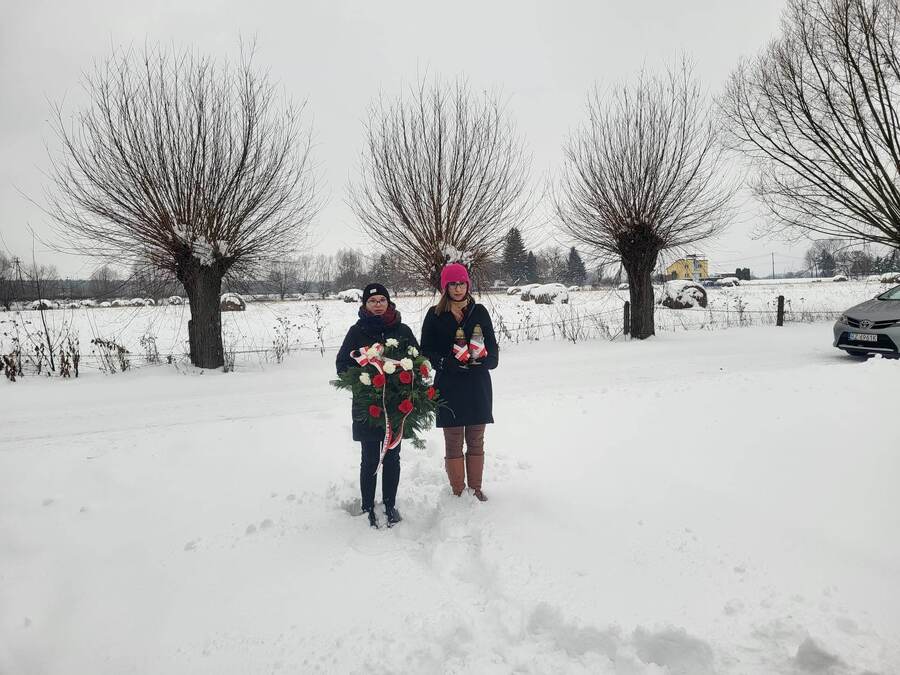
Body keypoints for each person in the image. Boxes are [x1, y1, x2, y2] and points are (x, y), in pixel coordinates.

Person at [336, 283, 420, 529]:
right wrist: (363, 377)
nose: (378, 305)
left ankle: (390, 504)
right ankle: (367, 506)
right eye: (372, 301)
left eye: (382, 300)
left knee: (392, 456)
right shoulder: (356, 332)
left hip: (396, 405)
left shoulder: (402, 329)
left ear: (388, 302)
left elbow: (417, 359)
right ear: (365, 304)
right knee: (370, 457)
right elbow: (342, 364)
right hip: (368, 406)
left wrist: (407, 378)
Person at [420, 263, 499, 501]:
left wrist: (488, 361)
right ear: (445, 287)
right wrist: (444, 363)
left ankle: (475, 489)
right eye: (453, 284)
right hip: (449, 385)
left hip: (477, 385)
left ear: (468, 284)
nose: (458, 288)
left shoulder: (479, 311)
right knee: (453, 440)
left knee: (476, 439)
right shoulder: (434, 314)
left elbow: (492, 345)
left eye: (462, 283)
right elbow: (426, 350)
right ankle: (457, 491)